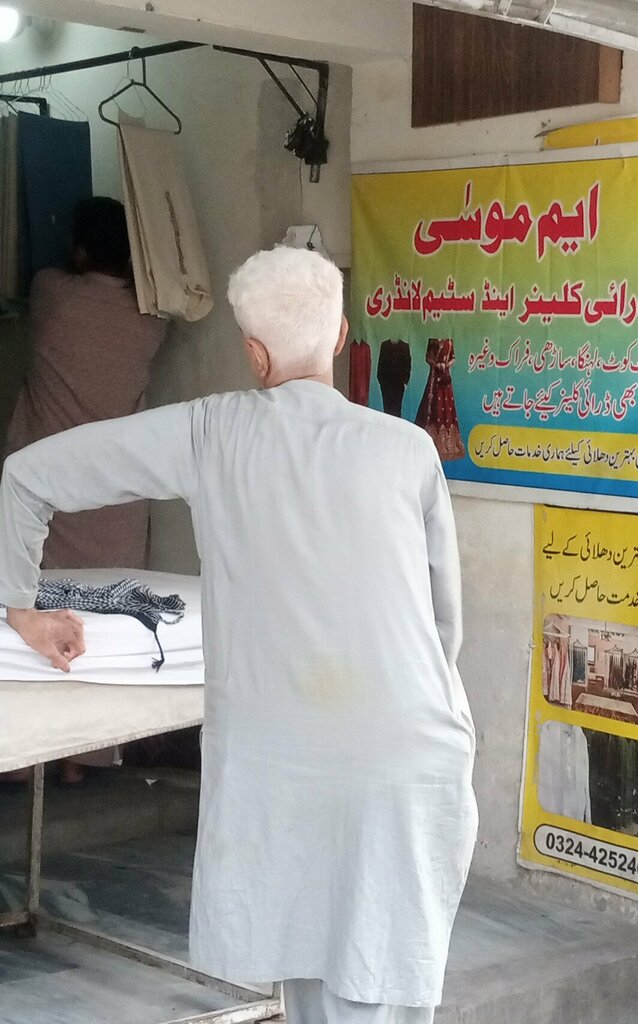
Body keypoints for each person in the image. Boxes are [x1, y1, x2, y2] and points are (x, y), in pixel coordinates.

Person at [0, 246, 478, 1024]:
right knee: (378, 973)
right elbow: (442, 624)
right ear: (343, 337)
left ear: (254, 355)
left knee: (308, 963)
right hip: (408, 752)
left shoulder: (210, 433)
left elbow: (28, 475)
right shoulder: (407, 450)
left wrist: (21, 605)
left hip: (284, 761)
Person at [4, 195, 166, 570]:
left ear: (79, 252)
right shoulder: (151, 321)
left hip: (50, 491)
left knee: (44, 607)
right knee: (116, 608)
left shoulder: (51, 293)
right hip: (118, 502)